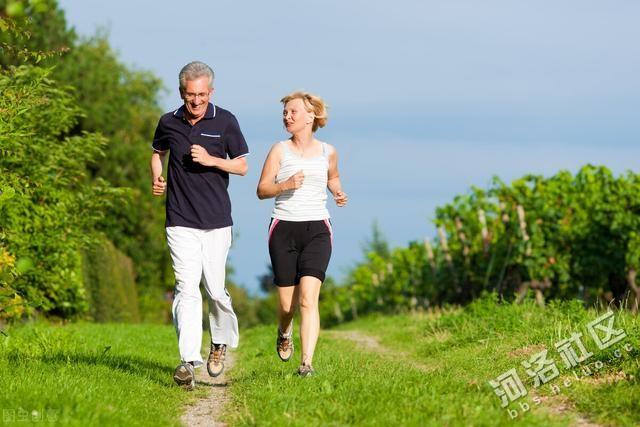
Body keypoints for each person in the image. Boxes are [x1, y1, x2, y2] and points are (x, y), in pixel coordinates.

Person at [151, 61, 249, 390]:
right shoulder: (168, 122)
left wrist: (211, 160)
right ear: (181, 93)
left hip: (217, 221)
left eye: (202, 95)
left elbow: (243, 167)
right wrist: (157, 176)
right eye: (191, 95)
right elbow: (156, 152)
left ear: (211, 92)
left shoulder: (225, 121)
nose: (196, 102)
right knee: (186, 287)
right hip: (180, 219)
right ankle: (188, 361)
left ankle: (218, 343)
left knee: (215, 290)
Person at [257, 91, 348, 377]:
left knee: (309, 298)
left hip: (317, 229)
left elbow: (332, 176)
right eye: (284, 113)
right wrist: (285, 184)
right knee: (287, 305)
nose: (287, 116)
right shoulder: (279, 150)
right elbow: (262, 190)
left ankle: (306, 363)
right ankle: (284, 330)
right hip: (283, 228)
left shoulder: (328, 151)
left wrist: (337, 192)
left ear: (311, 116)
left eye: (292, 112)